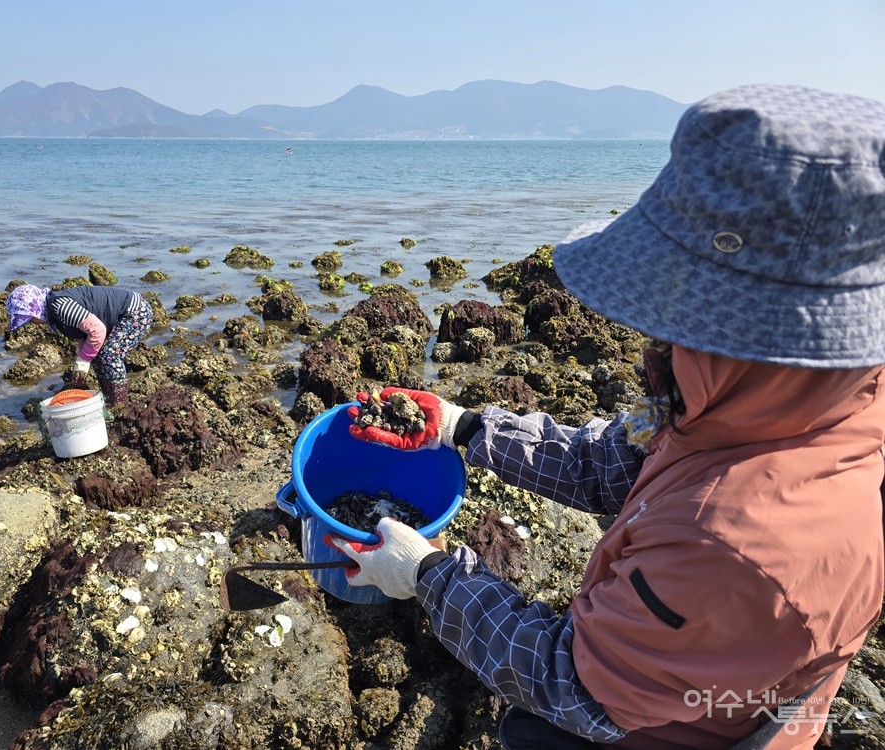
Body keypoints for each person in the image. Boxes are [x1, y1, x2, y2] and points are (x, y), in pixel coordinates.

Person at [332, 84, 885, 749]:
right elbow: (616, 462)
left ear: (742, 332)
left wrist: (428, 576)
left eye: (671, 311)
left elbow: (575, 686)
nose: (650, 340)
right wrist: (465, 428)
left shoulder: (733, 540)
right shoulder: (791, 403)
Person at [5, 283, 153, 406]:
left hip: (135, 311)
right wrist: (81, 360)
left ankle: (120, 404)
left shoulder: (60, 306)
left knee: (110, 355)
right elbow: (85, 335)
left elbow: (97, 330)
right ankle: (110, 400)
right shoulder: (54, 313)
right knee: (97, 357)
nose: (32, 323)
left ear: (35, 308)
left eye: (30, 318)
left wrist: (84, 360)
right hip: (121, 315)